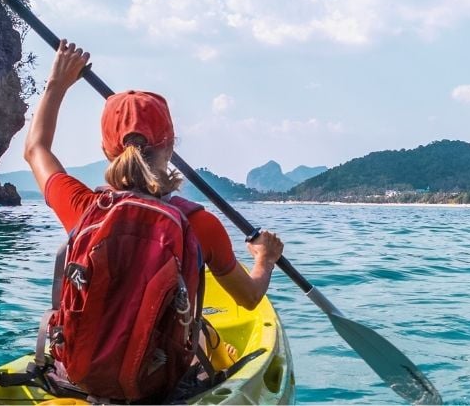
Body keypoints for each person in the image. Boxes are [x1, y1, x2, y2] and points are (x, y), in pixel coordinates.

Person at [18, 40, 283, 401]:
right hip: (159, 384)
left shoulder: (83, 207)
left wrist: (57, 84)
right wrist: (264, 260)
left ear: (105, 151)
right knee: (203, 331)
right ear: (171, 145)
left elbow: (36, 149)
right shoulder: (200, 225)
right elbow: (250, 298)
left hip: (79, 377)